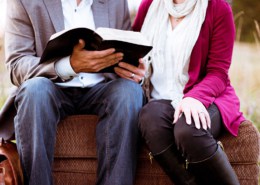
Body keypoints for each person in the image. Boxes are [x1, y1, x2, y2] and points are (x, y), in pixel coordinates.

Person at [1, 0, 146, 185]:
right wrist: (69, 65)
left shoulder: (116, 2)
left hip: (103, 88)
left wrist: (134, 72)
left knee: (129, 92)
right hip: (50, 86)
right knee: (35, 90)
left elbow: (124, 52)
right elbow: (16, 65)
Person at [133, 0, 245, 184]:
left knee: (188, 128)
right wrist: (130, 70)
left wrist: (194, 98)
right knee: (149, 119)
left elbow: (218, 72)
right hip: (160, 101)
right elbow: (133, 52)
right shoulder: (149, 6)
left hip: (208, 97)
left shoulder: (217, 8)